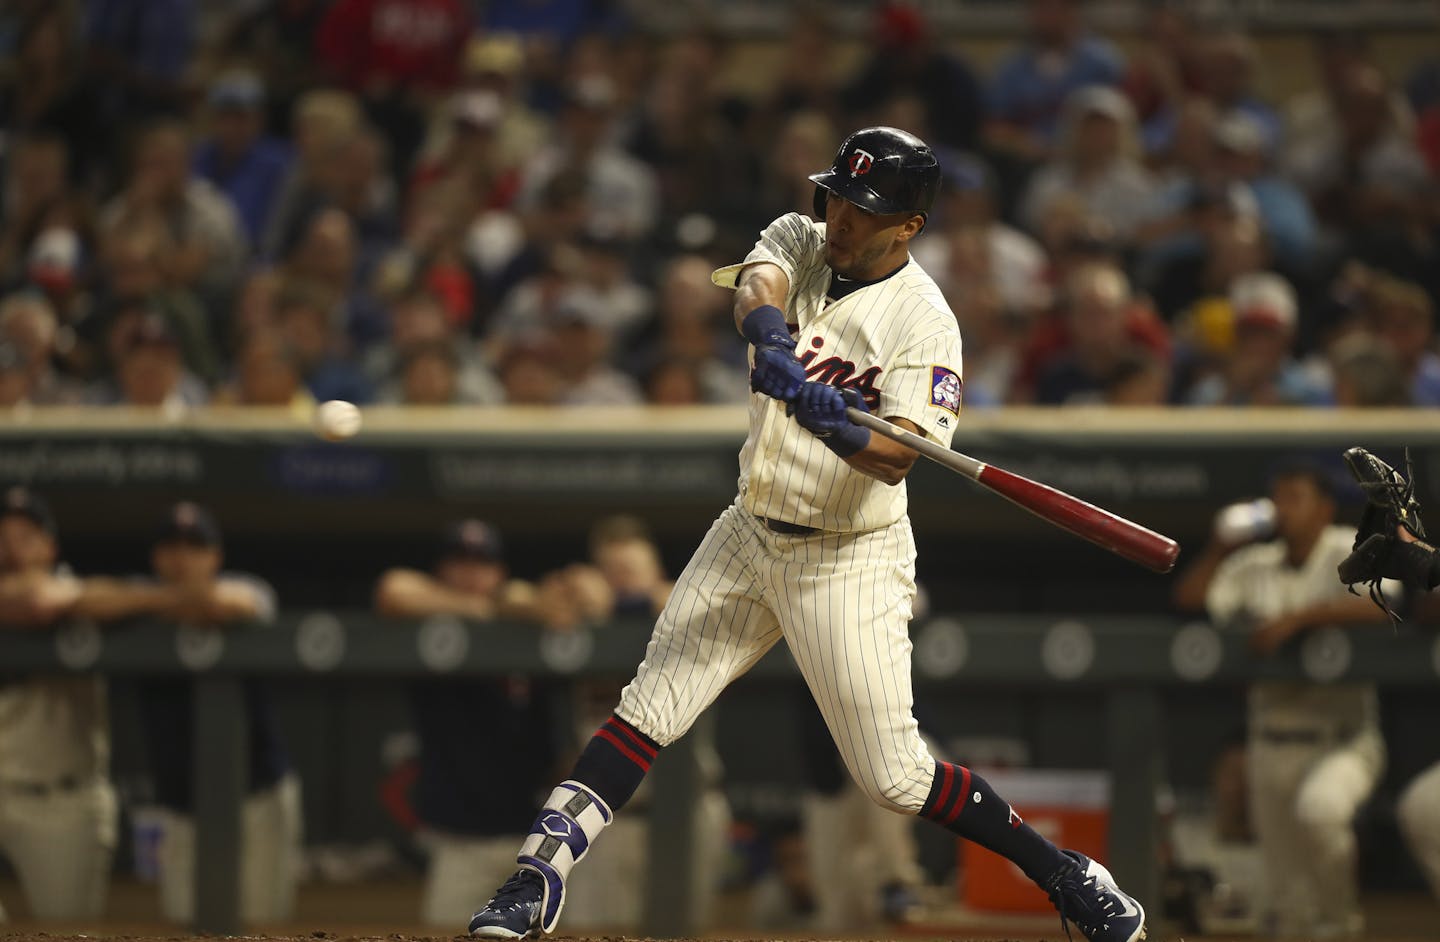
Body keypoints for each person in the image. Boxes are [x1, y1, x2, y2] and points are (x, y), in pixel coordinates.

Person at [465, 126, 1146, 942]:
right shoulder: (804, 234)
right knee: (649, 708)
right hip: (750, 530)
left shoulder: (926, 324)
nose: (840, 218)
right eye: (837, 197)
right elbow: (759, 278)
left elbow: (898, 457)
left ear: (909, 225)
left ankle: (1068, 875)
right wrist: (769, 336)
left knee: (893, 778)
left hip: (847, 556)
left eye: (863, 208)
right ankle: (535, 879)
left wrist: (840, 428)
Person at [1172, 464, 1397, 938]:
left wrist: (1299, 619)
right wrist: (1218, 548)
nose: (1283, 509)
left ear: (1323, 508)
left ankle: (1342, 922)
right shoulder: (1254, 564)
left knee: (1321, 812)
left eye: (1296, 498)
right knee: (1283, 905)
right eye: (1279, 498)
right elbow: (1191, 599)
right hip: (1270, 744)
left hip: (1343, 739)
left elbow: (1386, 601)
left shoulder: (1349, 546)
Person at [374, 520, 558, 926]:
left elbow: (559, 606)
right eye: (460, 562)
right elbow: (393, 590)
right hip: (461, 843)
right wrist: (483, 609)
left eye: (482, 563)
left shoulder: (521, 624)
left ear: (500, 571)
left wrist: (513, 605)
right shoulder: (430, 624)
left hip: (530, 842)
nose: (471, 573)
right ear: (442, 571)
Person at [123, 503, 300, 925]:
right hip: (182, 803)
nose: (183, 557)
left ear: (215, 557)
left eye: (195, 546)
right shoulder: (132, 596)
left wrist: (154, 604)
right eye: (172, 546)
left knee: (261, 926)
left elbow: (234, 604)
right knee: (184, 923)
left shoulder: (247, 588)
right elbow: (88, 601)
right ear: (156, 556)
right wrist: (158, 601)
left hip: (256, 796)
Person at [0, 487, 117, 921]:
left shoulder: (79, 596)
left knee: (67, 931)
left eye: (24, 538)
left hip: (59, 803)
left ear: (50, 546)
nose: (11, 551)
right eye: (1, 539)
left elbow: (39, 601)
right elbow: (29, 602)